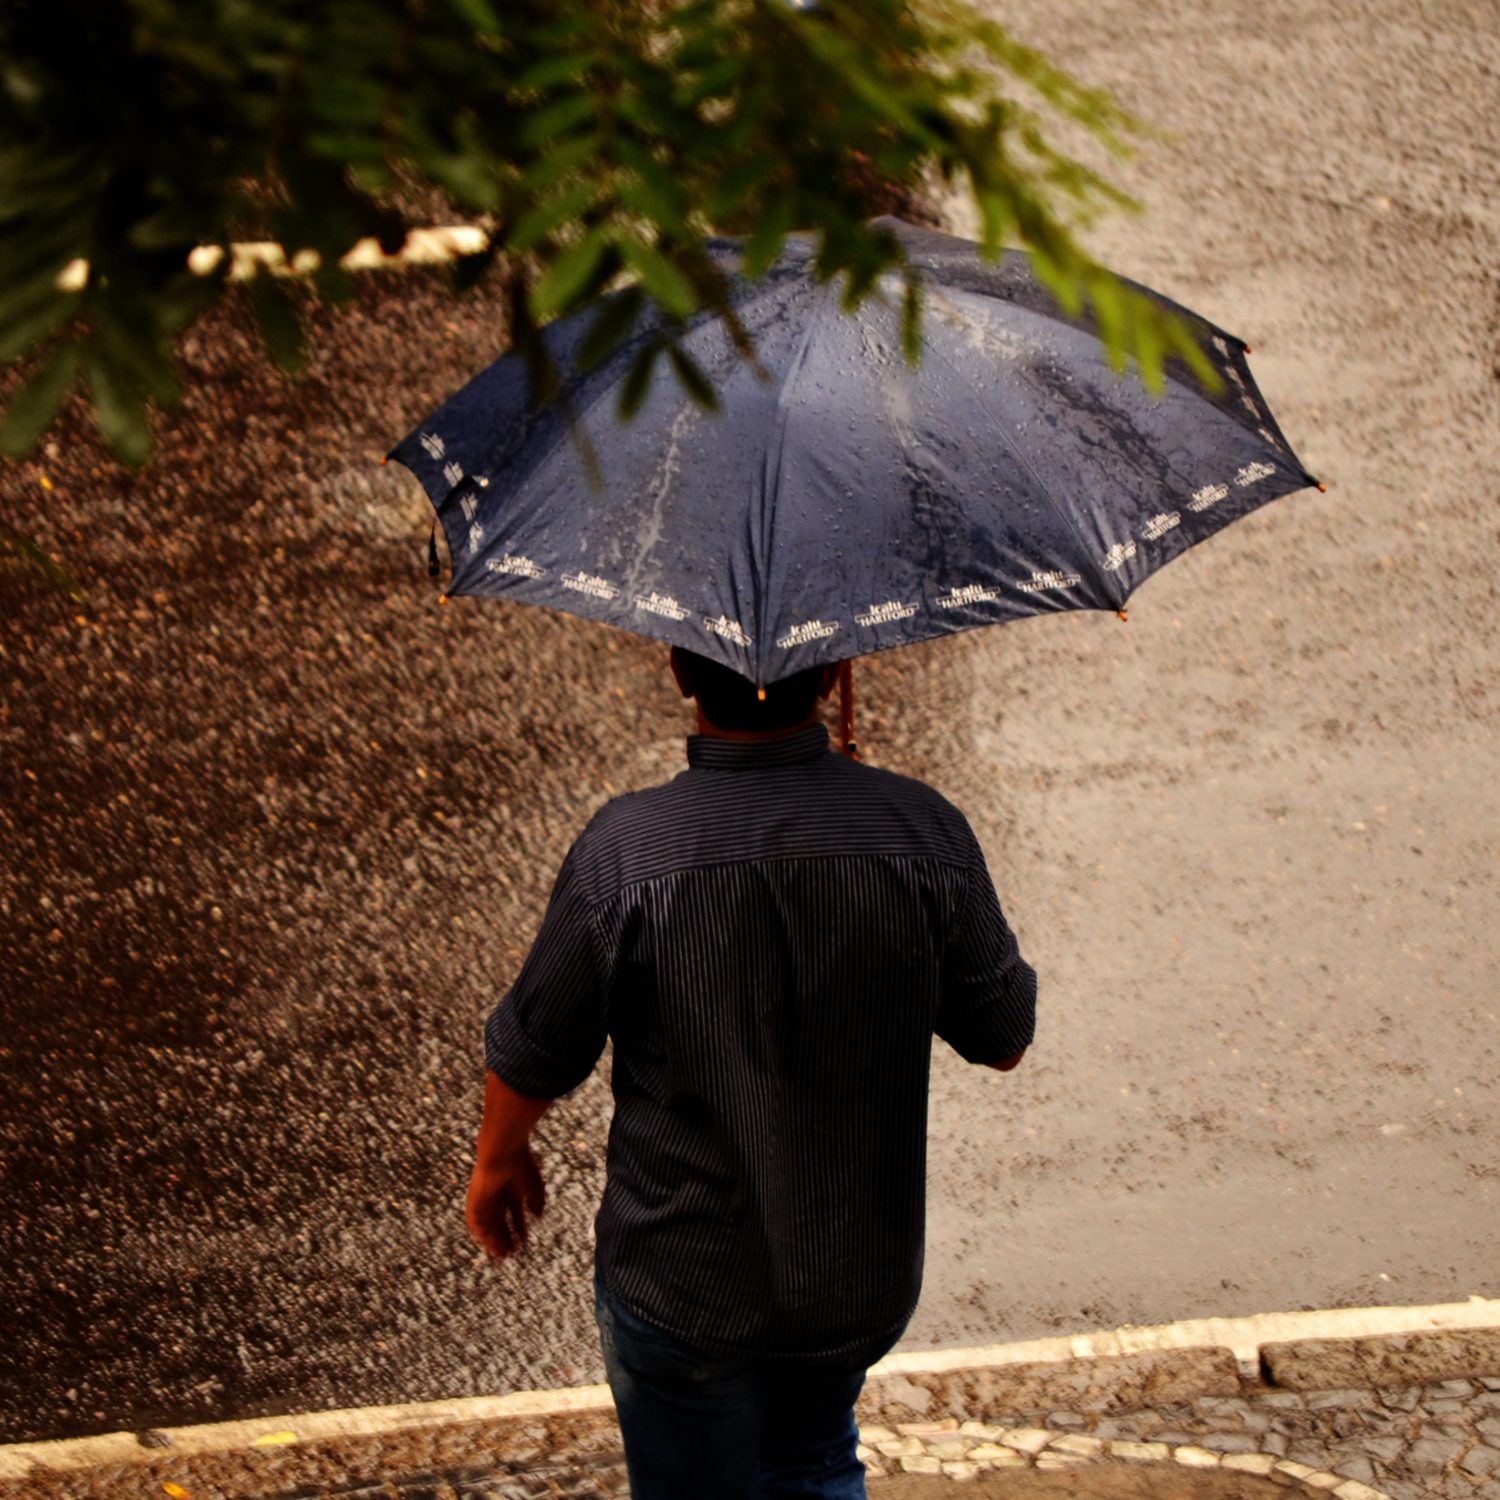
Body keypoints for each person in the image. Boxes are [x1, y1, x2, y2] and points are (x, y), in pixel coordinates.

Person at [466, 646, 1036, 1500]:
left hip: (684, 1282)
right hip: (853, 1280)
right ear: (837, 675)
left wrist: (497, 1159)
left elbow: (537, 1044)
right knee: (813, 1457)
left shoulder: (624, 854)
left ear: (681, 674)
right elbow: (1003, 1035)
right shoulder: (923, 832)